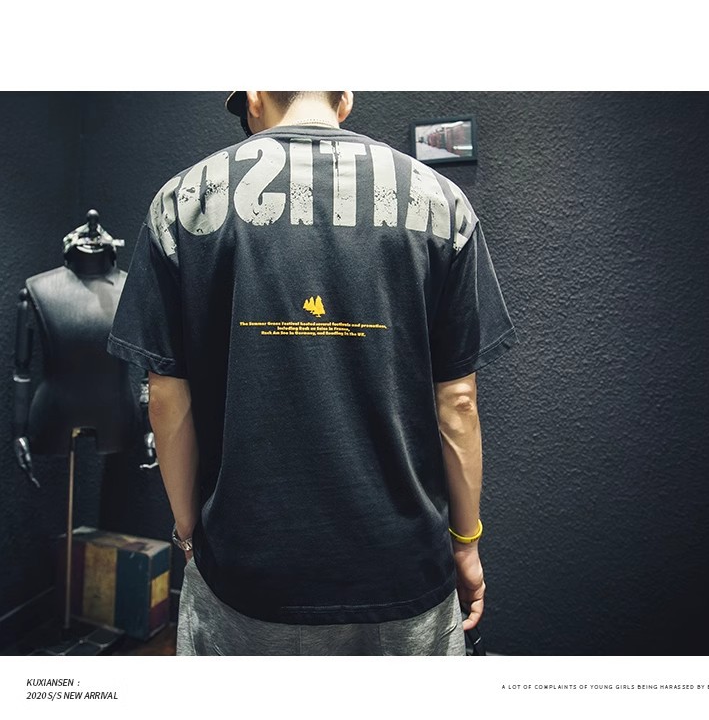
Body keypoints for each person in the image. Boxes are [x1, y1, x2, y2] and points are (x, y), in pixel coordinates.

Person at [107, 91, 519, 656]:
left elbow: (166, 398)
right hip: (402, 569)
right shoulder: (441, 200)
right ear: (344, 98)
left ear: (254, 96)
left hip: (245, 570)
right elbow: (459, 403)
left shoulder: (181, 201)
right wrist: (466, 544)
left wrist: (187, 531)